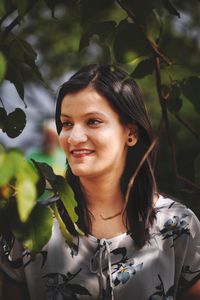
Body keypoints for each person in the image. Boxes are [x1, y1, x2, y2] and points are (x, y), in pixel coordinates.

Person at [0, 64, 200, 300]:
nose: (74, 137)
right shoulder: (28, 230)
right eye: (66, 123)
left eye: (93, 121)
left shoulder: (178, 227)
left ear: (131, 133)